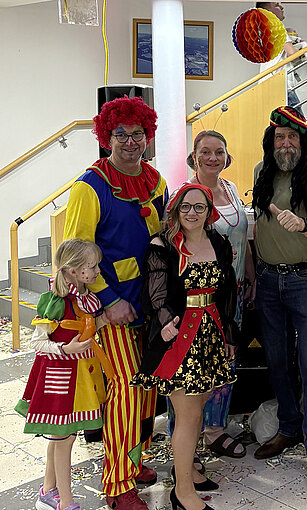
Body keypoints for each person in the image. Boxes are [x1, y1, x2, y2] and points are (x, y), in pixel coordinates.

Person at [63, 96, 168, 510]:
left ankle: (135, 458)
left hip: (149, 303)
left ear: (147, 136)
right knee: (125, 387)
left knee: (146, 388)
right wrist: (108, 301)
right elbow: (74, 254)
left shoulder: (156, 181)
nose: (130, 142)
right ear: (107, 137)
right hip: (111, 310)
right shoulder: (89, 186)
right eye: (120, 134)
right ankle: (118, 483)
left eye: (137, 133)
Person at [131, 183, 238, 510]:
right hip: (180, 338)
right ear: (176, 210)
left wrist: (228, 334)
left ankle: (188, 470)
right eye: (186, 206)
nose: (192, 213)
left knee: (198, 408)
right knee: (189, 416)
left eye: (199, 207)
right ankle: (183, 492)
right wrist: (166, 323)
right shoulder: (162, 245)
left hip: (211, 333)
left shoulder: (218, 241)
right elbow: (157, 294)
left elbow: (227, 290)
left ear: (209, 212)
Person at [251, 106, 307, 492]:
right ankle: (289, 427)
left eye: (292, 137)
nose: (285, 144)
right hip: (268, 280)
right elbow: (259, 225)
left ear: (303, 141)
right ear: (271, 142)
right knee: (278, 361)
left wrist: (301, 224)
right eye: (279, 137)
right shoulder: (261, 171)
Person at [161, 131, 256, 461]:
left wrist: (251, 275)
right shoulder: (184, 196)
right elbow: (171, 247)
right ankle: (184, 441)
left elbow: (242, 238)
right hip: (198, 300)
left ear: (227, 156)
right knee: (190, 369)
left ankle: (214, 431)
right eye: (205, 152)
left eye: (219, 152)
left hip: (233, 296)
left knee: (225, 363)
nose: (212, 158)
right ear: (194, 157)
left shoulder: (231, 189)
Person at [16, 239, 107, 510]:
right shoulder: (54, 301)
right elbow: (37, 343)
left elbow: (88, 325)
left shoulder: (87, 298)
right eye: (92, 266)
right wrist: (66, 348)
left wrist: (106, 319)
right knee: (63, 439)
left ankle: (47, 491)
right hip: (58, 378)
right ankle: (66, 502)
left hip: (80, 376)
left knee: (62, 437)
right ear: (72, 270)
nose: (98, 271)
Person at [256, 2, 306, 115]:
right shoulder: (277, 28)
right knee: (297, 122)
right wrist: (302, 51)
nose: (282, 7)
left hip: (267, 84)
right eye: (277, 6)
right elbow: (292, 54)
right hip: (280, 86)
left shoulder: (265, 30)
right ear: (269, 12)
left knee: (276, 121)